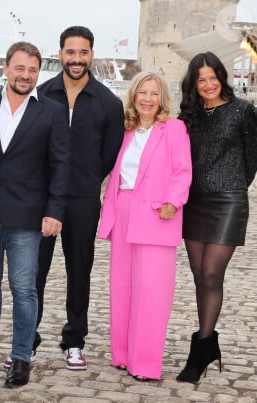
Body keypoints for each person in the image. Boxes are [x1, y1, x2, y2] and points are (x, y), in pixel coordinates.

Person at [0, 41, 70, 386]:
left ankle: (21, 357)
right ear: (5, 68)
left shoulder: (51, 111)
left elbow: (61, 165)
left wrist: (55, 211)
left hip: (28, 217)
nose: (26, 75)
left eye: (33, 70)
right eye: (20, 68)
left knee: (24, 288)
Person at [32, 26, 124, 370]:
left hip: (84, 200)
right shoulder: (40, 96)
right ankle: (28, 339)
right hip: (41, 199)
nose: (76, 59)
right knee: (33, 273)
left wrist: (83, 181)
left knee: (79, 272)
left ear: (91, 55)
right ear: (60, 54)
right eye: (70, 52)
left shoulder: (109, 104)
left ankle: (74, 341)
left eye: (83, 53)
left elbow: (109, 155)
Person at [98, 72, 192, 381]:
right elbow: (115, 177)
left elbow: (182, 170)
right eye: (142, 92)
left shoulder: (174, 129)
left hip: (157, 214)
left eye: (154, 93)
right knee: (122, 287)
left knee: (152, 291)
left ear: (162, 98)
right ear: (134, 96)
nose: (147, 99)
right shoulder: (125, 132)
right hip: (125, 213)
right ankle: (122, 355)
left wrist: (173, 201)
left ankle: (146, 364)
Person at [176, 52, 257, 383]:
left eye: (213, 77)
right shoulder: (189, 116)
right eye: (201, 79)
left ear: (222, 77)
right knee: (198, 275)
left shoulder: (243, 112)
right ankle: (209, 343)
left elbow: (252, 159)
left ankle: (201, 347)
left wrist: (233, 186)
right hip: (193, 203)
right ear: (194, 84)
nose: (208, 84)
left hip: (228, 202)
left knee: (211, 273)